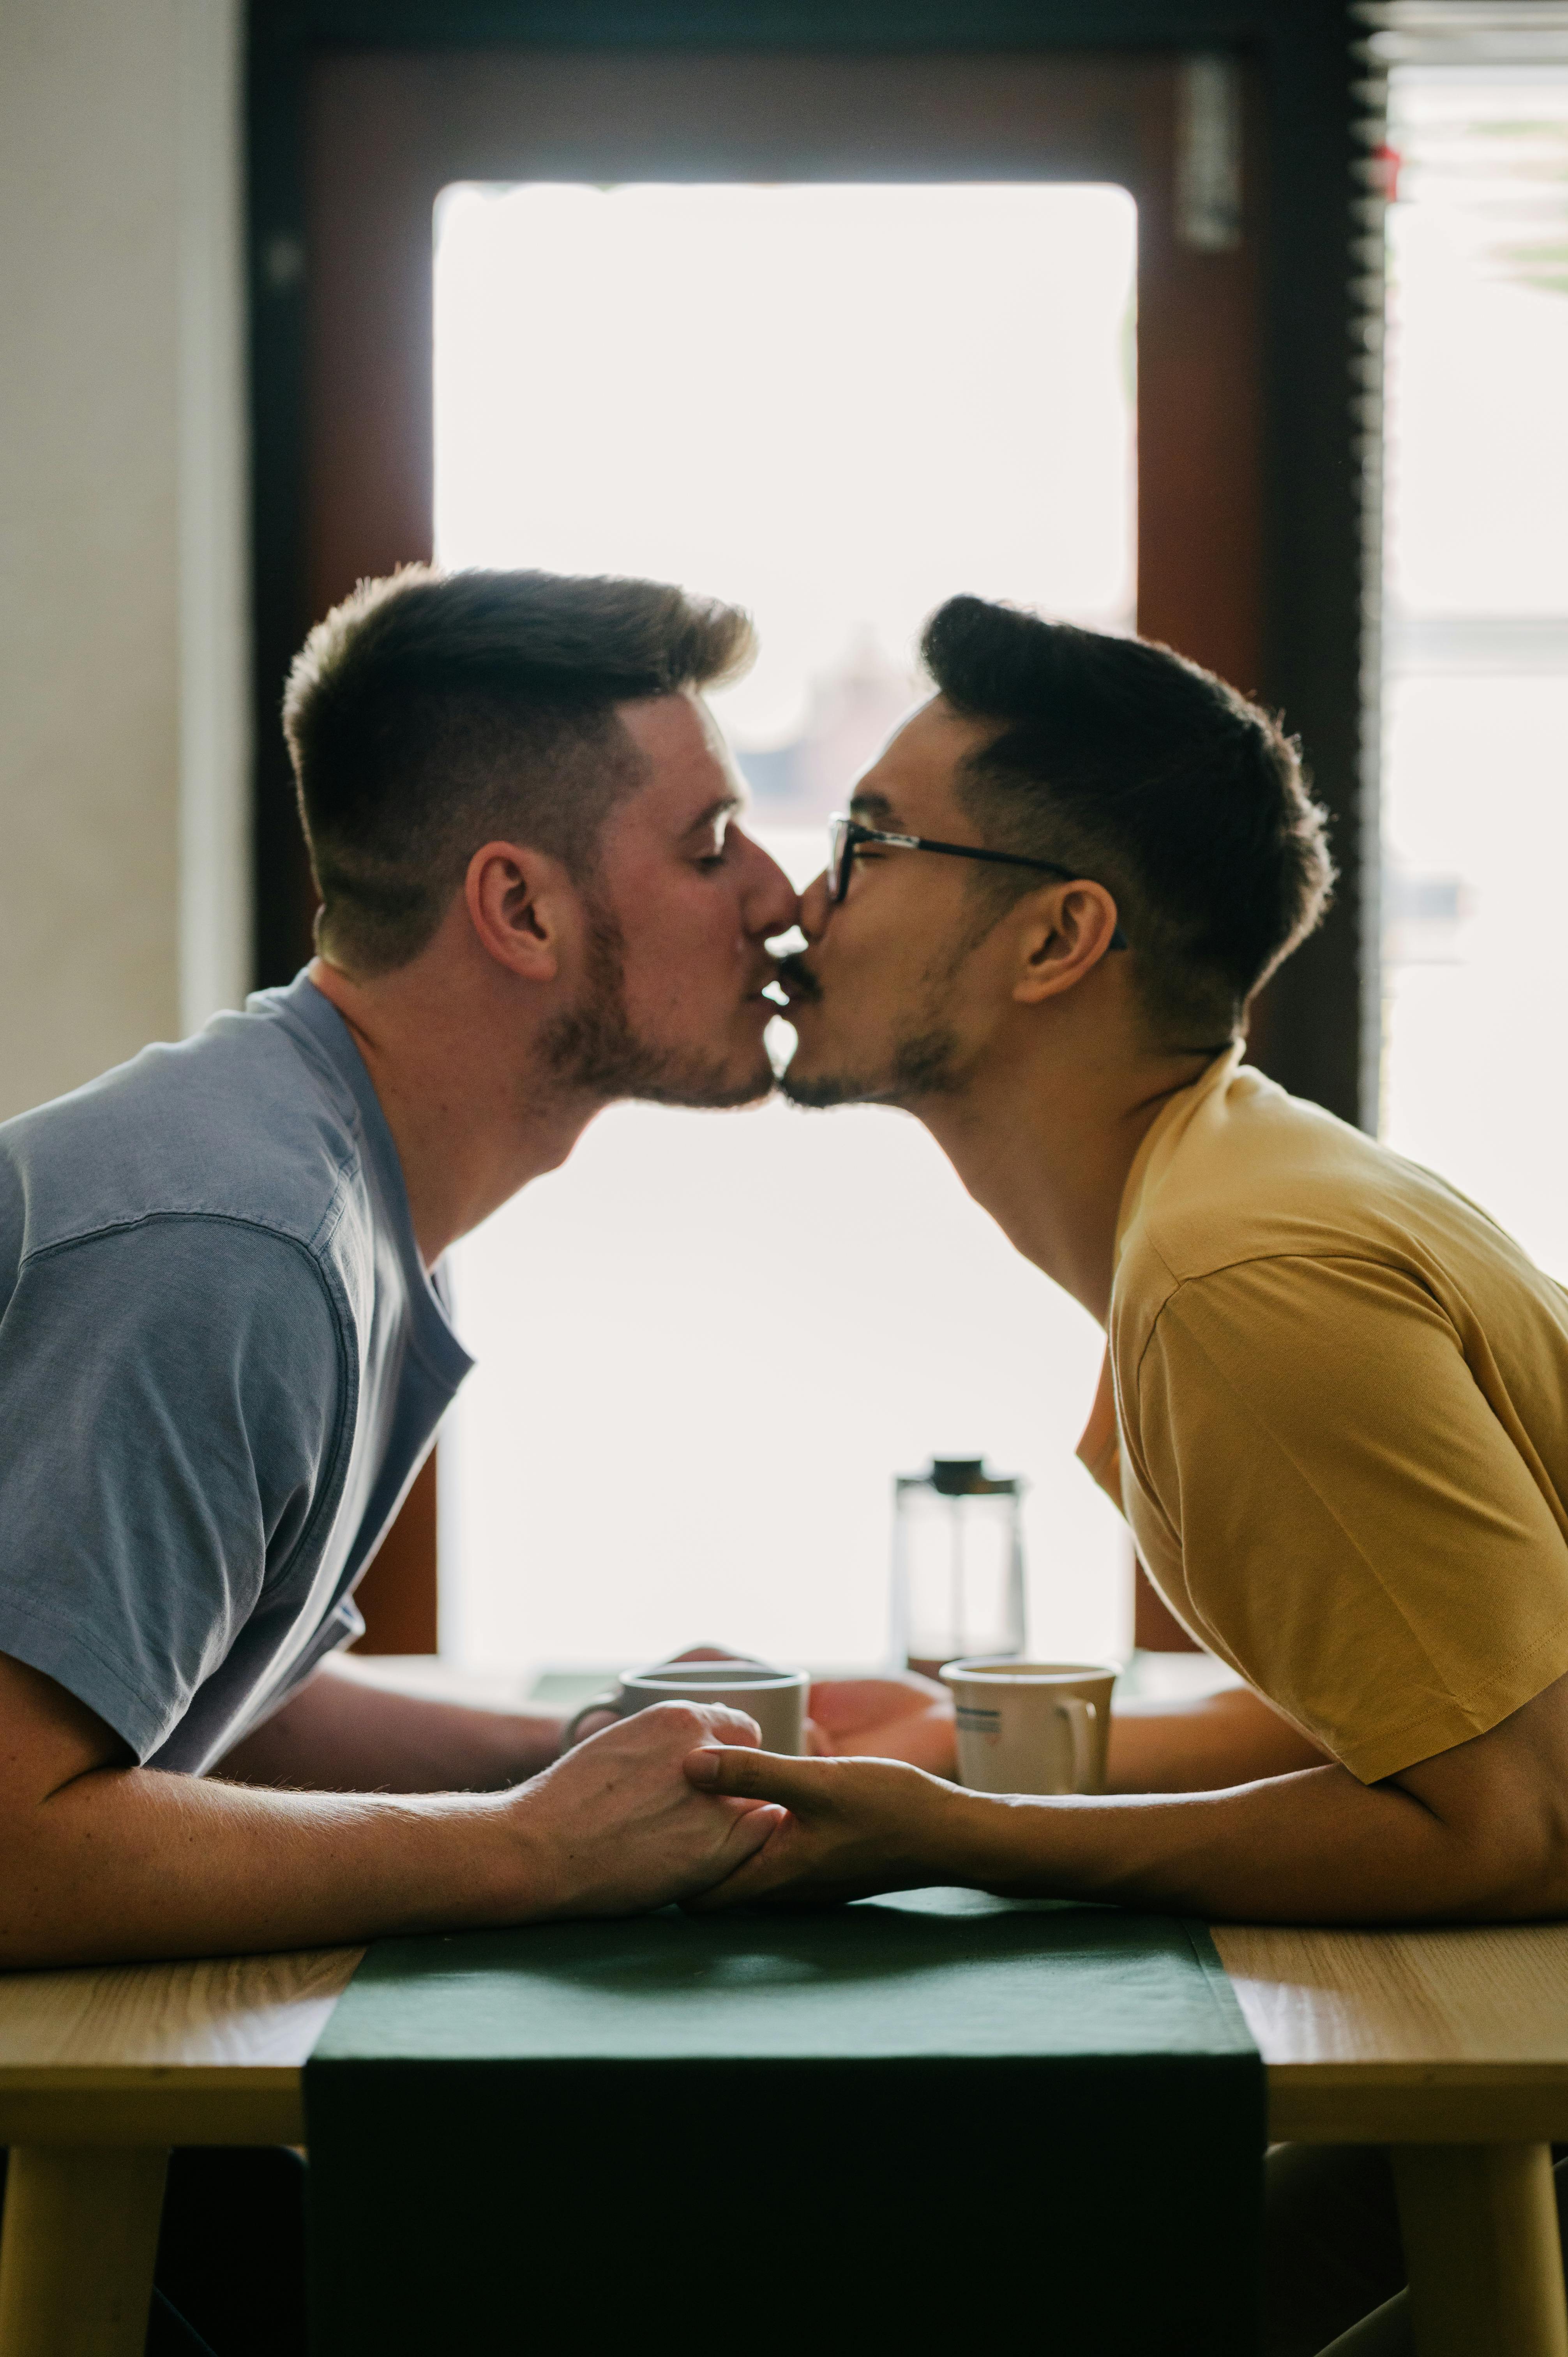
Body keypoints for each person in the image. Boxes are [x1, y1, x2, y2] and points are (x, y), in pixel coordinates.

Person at [685, 590, 1568, 1923]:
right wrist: (953, 1742)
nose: (807, 902)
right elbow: (1414, 1710)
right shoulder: (1240, 1187)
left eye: (869, 841)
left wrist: (972, 1835)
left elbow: (1519, 1825)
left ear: (1056, 940)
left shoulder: (1237, 1276)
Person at [0, 564, 802, 1984]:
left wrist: (591, 1752)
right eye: (710, 842)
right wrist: (532, 1850)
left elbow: (196, 1696)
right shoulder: (237, 1247)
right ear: (521, 909)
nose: (779, 894)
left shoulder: (330, 1178)